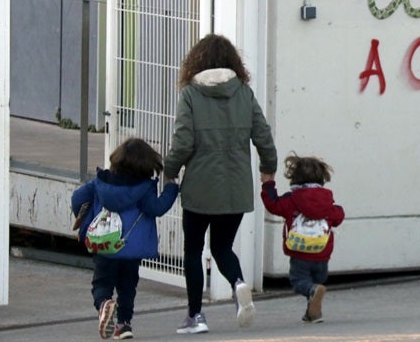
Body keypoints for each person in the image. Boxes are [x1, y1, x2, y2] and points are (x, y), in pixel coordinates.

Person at [164, 34, 278, 334]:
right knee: (222, 247)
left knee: (193, 250)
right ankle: (239, 284)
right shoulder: (243, 92)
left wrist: (170, 171)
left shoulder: (190, 94)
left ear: (195, 61)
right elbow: (264, 137)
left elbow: (183, 142)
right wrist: (268, 170)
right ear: (232, 61)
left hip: (200, 188)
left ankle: (196, 316)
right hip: (236, 186)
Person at [71, 138, 180, 340]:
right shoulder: (145, 188)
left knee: (102, 284)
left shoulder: (100, 181)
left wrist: (85, 216)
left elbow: (77, 199)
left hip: (104, 244)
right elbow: (156, 208)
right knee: (127, 287)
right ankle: (124, 325)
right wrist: (171, 189)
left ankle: (104, 304)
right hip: (131, 250)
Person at [261, 153, 345, 323]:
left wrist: (268, 184)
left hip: (299, 252)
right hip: (322, 253)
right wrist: (338, 210)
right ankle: (313, 313)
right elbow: (338, 217)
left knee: (300, 282)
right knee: (316, 282)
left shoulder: (291, 200)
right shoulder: (327, 201)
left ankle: (313, 293)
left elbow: (273, 204)